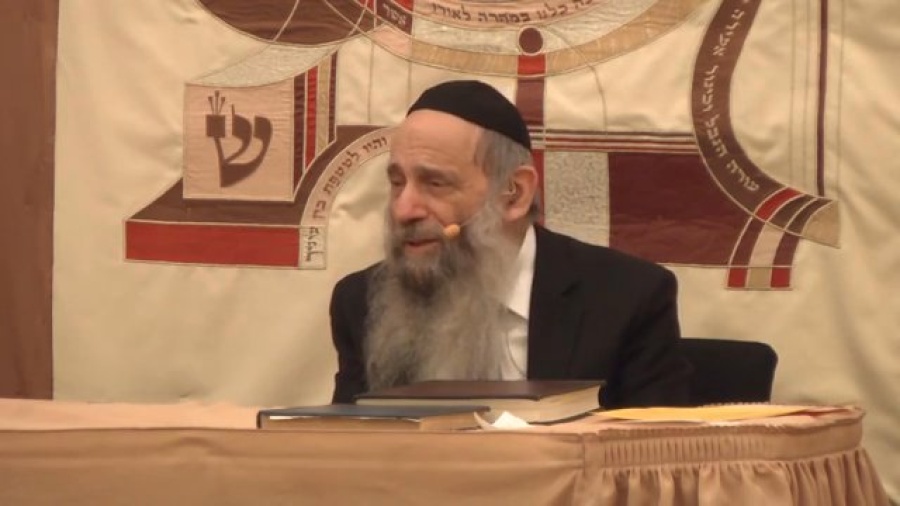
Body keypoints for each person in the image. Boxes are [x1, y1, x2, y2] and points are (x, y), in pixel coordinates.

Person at [329, 80, 691, 409]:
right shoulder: (361, 302)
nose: (403, 210)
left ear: (514, 194)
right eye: (397, 183)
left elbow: (654, 453)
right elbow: (347, 447)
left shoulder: (627, 299)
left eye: (435, 184)